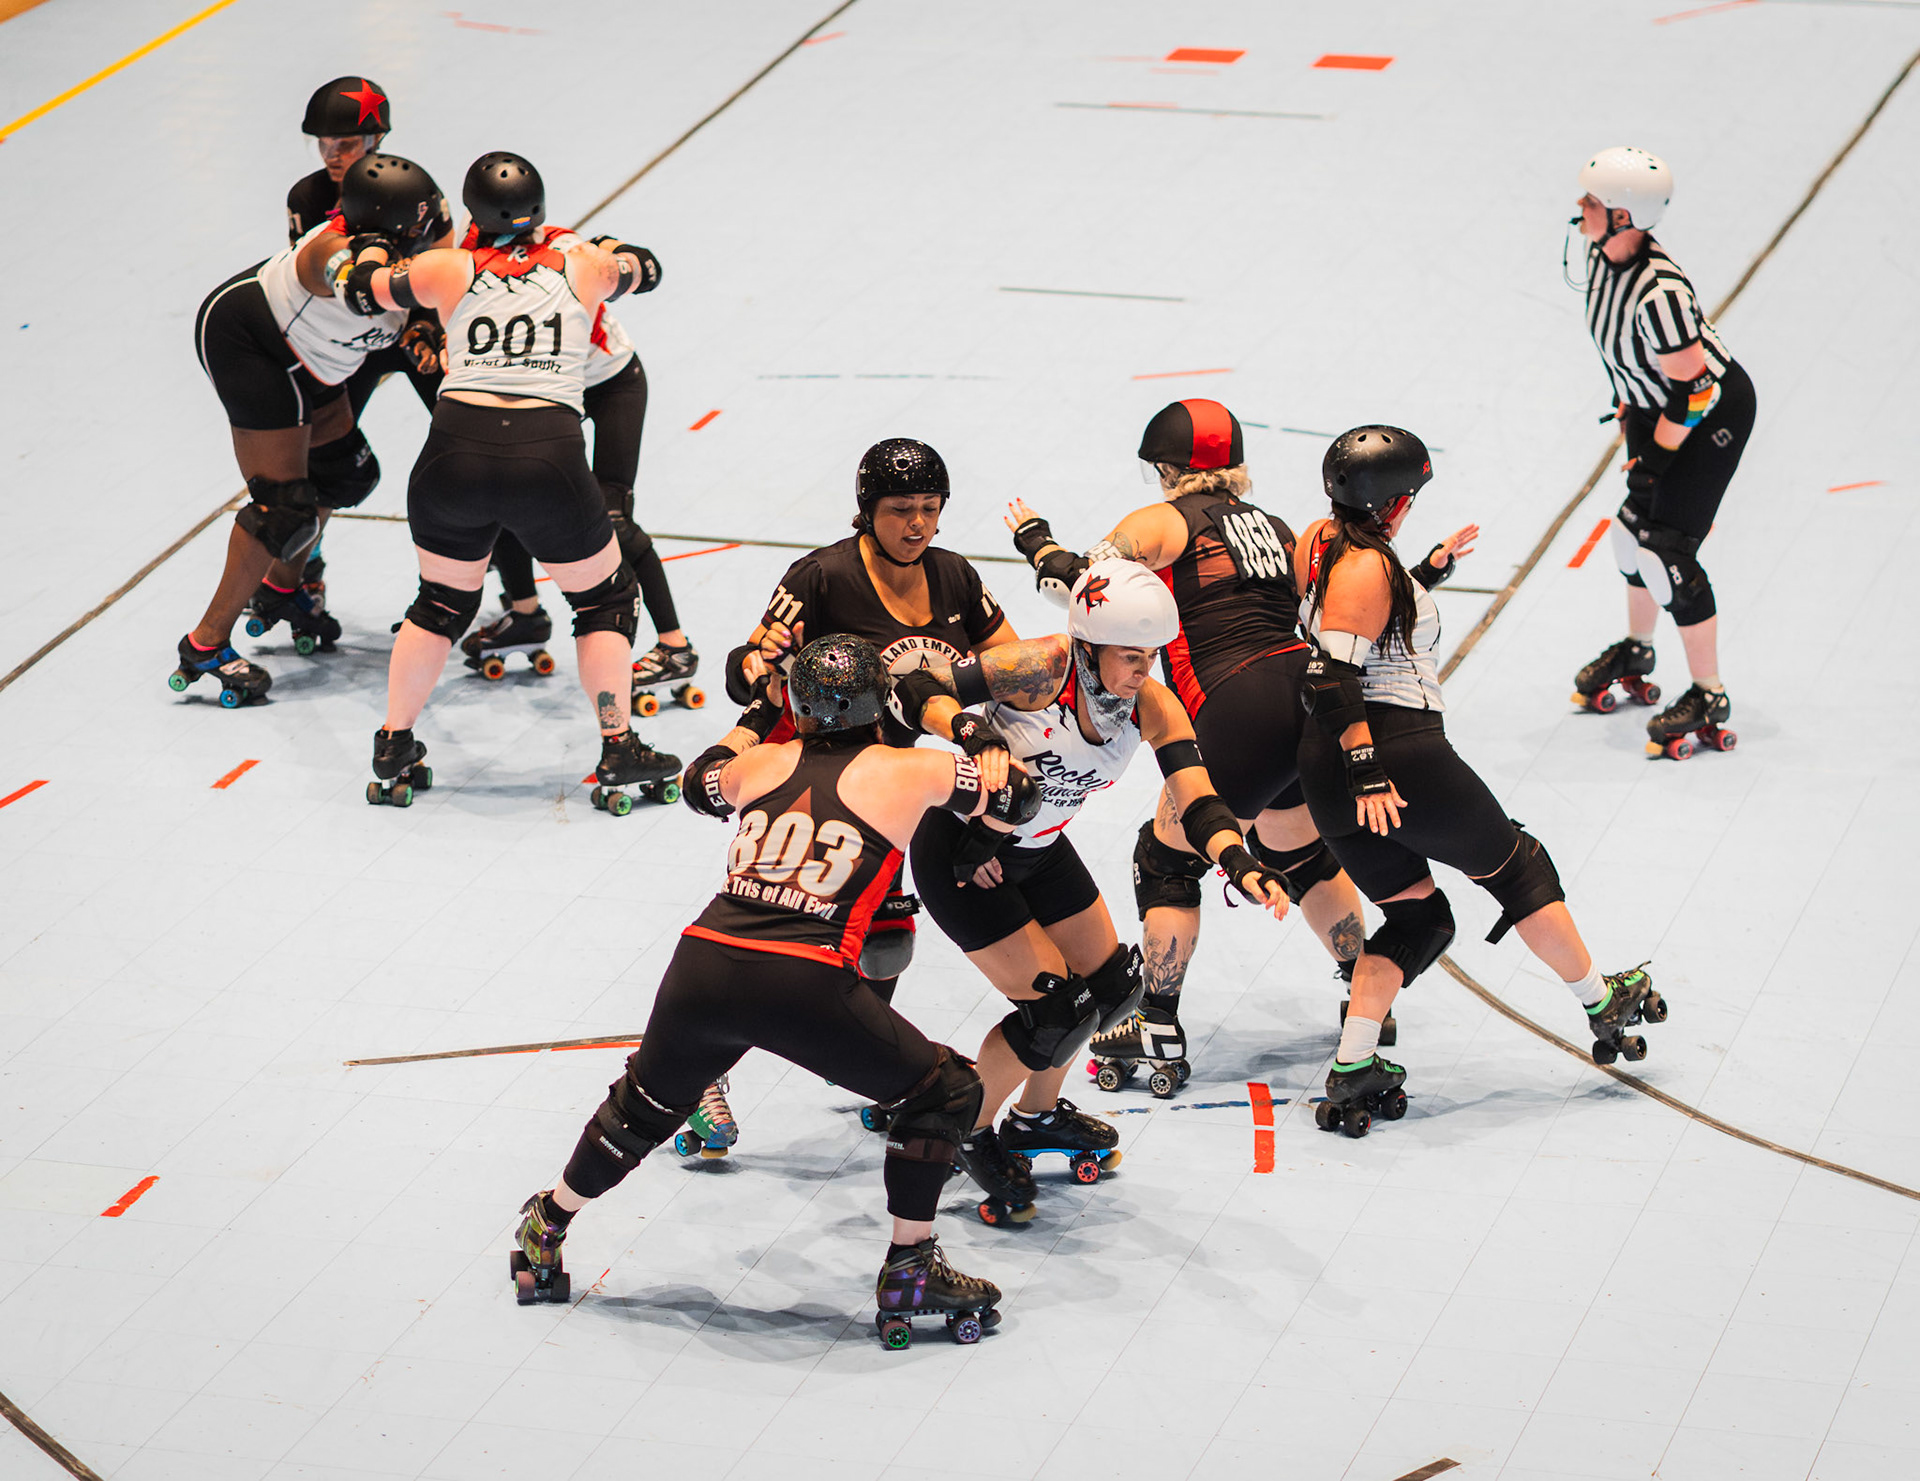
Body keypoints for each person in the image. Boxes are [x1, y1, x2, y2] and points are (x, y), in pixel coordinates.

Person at [515, 635, 1036, 1348]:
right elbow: (1019, 797)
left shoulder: (760, 764)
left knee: (642, 1107)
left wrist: (756, 717)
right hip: (801, 978)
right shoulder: (913, 767)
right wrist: (970, 731)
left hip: (704, 962)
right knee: (946, 1091)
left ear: (800, 703)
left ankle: (548, 1219)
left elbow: (699, 782)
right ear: (879, 703)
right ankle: (911, 1266)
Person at [1294, 426, 1666, 1138]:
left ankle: (1354, 1064)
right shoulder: (1366, 569)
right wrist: (1369, 770)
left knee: (1418, 920)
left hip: (1323, 768)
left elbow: (1349, 628)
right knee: (1519, 868)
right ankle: (1601, 1001)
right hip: (1392, 755)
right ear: (1394, 502)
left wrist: (1422, 575)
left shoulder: (1320, 541)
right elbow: (1330, 678)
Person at [892, 561, 1290, 1221]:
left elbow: (1198, 800)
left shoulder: (1153, 706)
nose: (1143, 671)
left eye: (1151, 655)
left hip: (1040, 850)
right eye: (1130, 657)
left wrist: (1240, 862)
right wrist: (973, 734)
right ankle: (966, 1130)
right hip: (964, 854)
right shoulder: (1039, 669)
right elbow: (915, 687)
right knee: (1054, 1013)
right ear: (1089, 645)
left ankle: (1034, 1117)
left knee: (1111, 990)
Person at [1006, 398, 1374, 1083]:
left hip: (1237, 705)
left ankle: (1156, 1021)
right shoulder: (1274, 526)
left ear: (1170, 468)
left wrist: (1037, 542)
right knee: (1301, 853)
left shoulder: (1165, 520)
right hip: (1306, 693)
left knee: (1166, 861)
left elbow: (1089, 593)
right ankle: (1368, 992)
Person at [335, 151, 677, 803]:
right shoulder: (583, 263)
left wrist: (374, 248)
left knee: (439, 603)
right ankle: (618, 745)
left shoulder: (444, 268)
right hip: (545, 456)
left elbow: (358, 289)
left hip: (451, 454)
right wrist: (614, 250)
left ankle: (394, 740)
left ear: (473, 213)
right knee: (603, 600)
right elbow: (648, 269)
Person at [728, 438, 1022, 1017]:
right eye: (900, 509)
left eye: (930, 508)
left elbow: (1012, 670)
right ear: (867, 510)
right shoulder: (820, 576)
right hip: (825, 774)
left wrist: (983, 817)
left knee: (886, 945)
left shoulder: (954, 575)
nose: (918, 524)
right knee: (803, 929)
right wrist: (760, 661)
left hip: (902, 777)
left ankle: (855, 1043)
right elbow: (749, 676)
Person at [177, 152, 448, 705]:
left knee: (345, 475)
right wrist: (414, 295)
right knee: (283, 506)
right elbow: (351, 282)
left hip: (314, 358)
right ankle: (205, 643)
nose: (427, 235)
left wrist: (423, 323)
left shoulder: (413, 241)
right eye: (417, 228)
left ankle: (281, 588)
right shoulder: (327, 250)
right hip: (247, 340)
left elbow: (433, 279)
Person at [1566, 147, 1756, 759]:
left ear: (1623, 217)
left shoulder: (1660, 293)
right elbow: (1629, 355)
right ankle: (1638, 649)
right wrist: (1632, 410)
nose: (1580, 206)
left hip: (1709, 415)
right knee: (1629, 535)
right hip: (1655, 408)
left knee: (1665, 550)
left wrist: (1654, 458)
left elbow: (1696, 390)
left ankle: (1709, 694)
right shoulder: (1602, 257)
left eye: (1592, 201)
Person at [458, 228, 690, 700]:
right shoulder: (467, 258)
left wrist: (619, 256)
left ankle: (675, 648)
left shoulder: (564, 247)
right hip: (548, 393)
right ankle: (525, 614)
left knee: (614, 519)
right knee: (503, 490)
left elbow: (639, 263)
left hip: (611, 382)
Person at [269, 78, 448, 642]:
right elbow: (310, 283)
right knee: (321, 459)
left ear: (376, 140)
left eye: (344, 144)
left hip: (409, 329)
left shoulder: (414, 188)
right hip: (352, 338)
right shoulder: (306, 197)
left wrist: (425, 323)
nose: (332, 155)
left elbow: (444, 260)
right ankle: (306, 569)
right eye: (324, 143)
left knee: (470, 436)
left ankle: (498, 582)